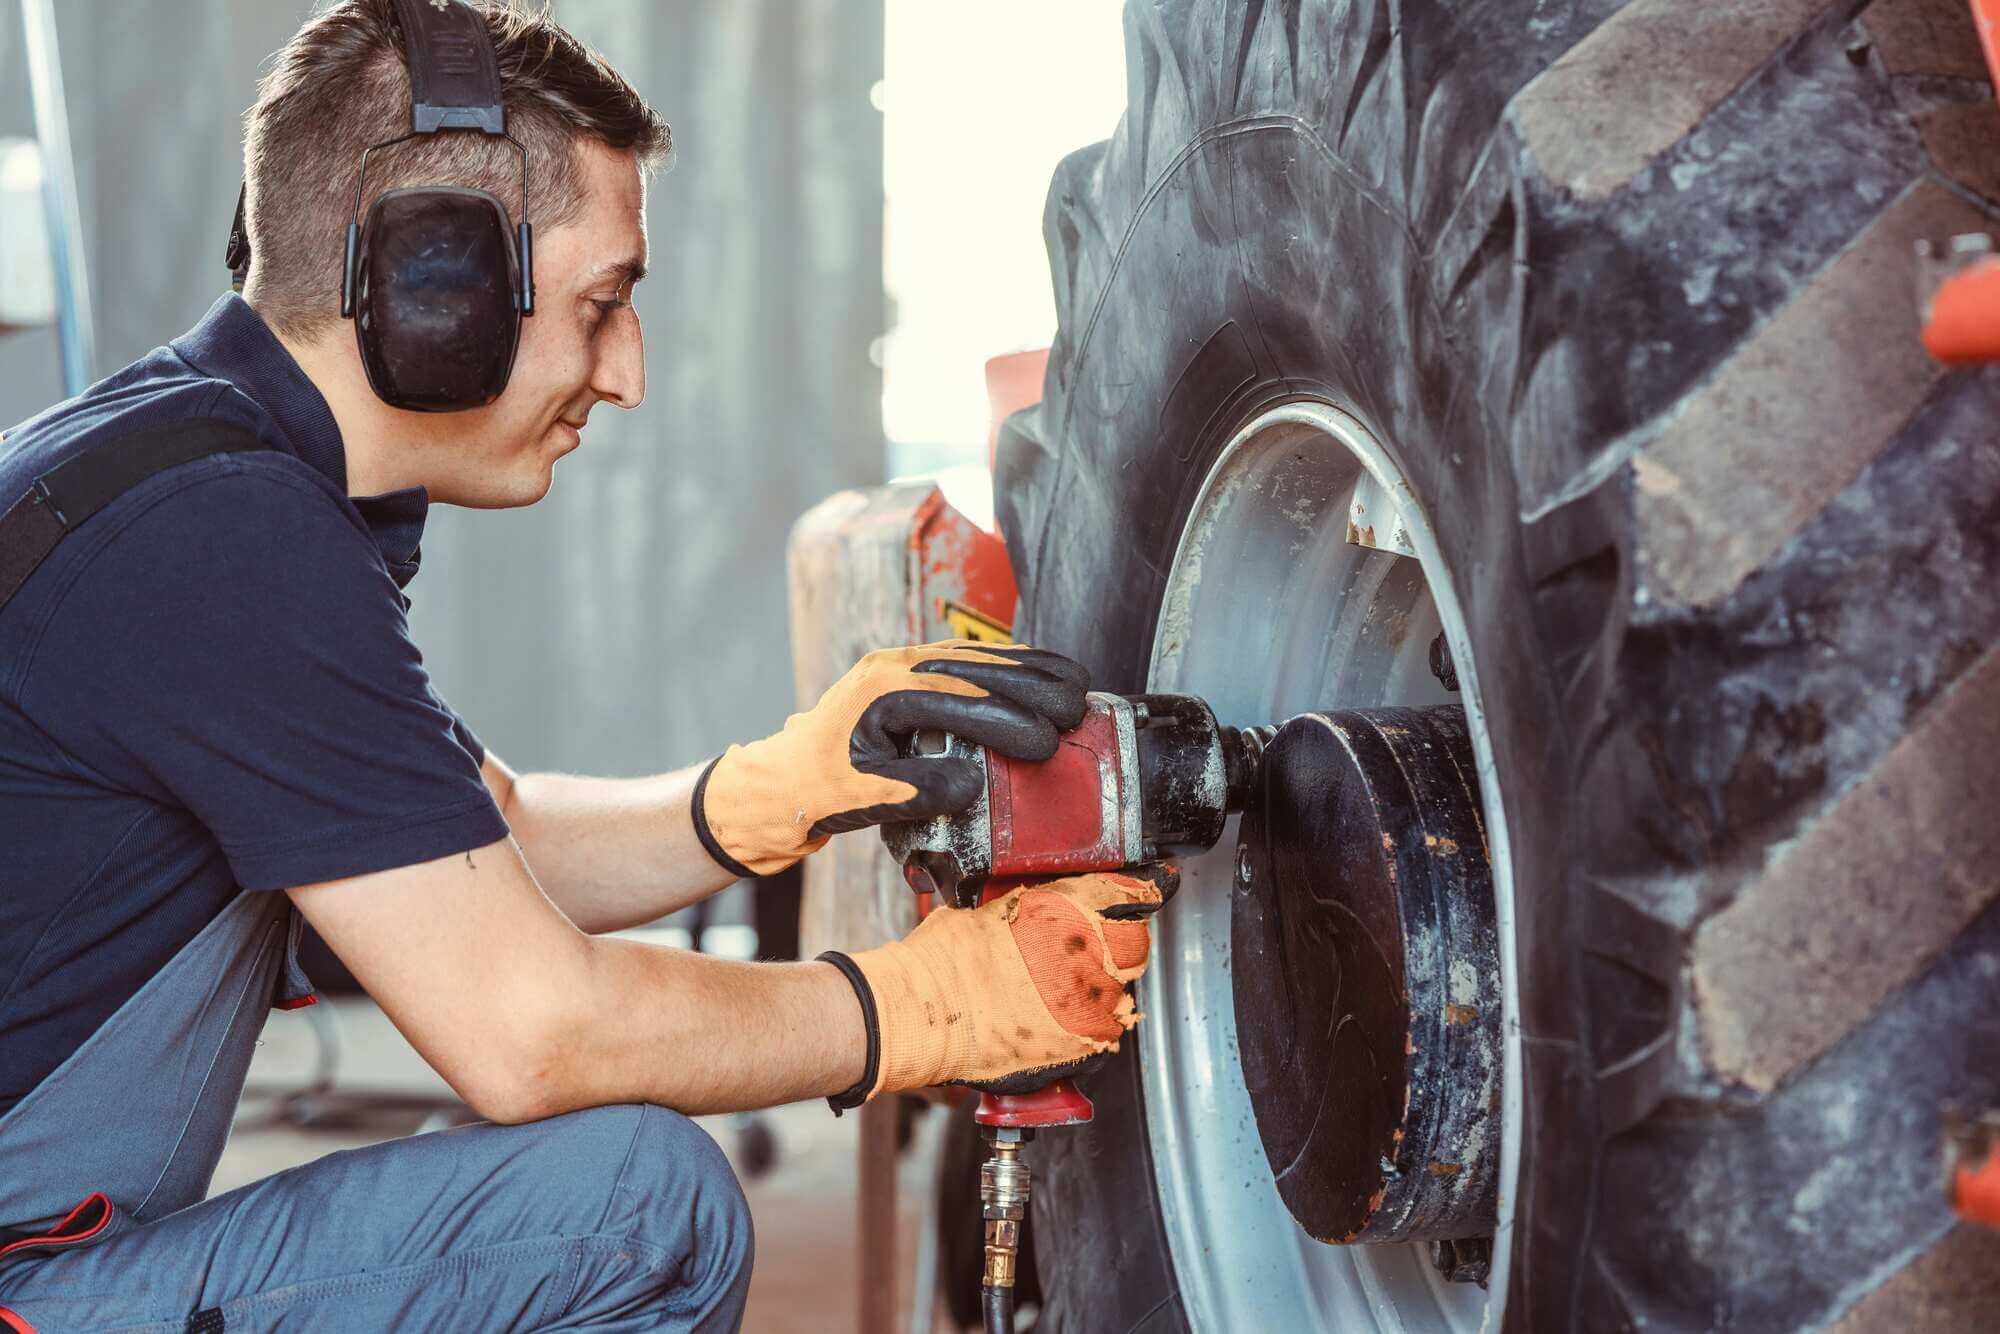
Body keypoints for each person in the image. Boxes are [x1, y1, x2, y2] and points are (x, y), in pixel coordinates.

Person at [0, 3, 1157, 1329]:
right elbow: (534, 1033)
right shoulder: (222, 539)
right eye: (606, 303)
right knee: (633, 1209)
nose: (629, 375)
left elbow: (487, 846)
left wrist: (779, 791)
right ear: (439, 285)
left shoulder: (185, 471)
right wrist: (918, 1007)